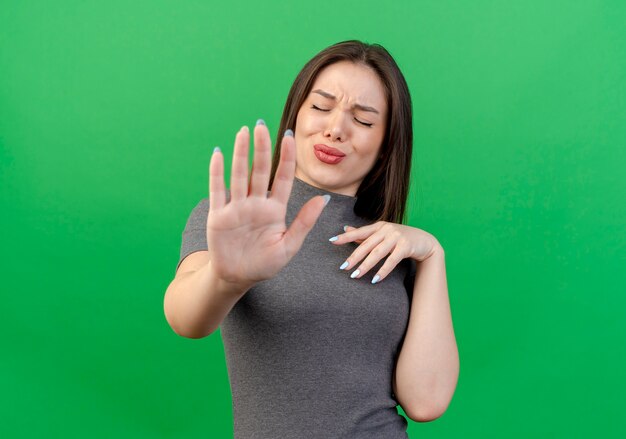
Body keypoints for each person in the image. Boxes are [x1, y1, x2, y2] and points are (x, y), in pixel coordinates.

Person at [164, 40, 459, 439]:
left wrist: (432, 255)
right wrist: (227, 278)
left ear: (387, 143)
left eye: (364, 120)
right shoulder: (233, 218)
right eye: (321, 107)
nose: (335, 128)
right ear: (296, 114)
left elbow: (426, 402)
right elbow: (185, 318)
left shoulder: (391, 248)